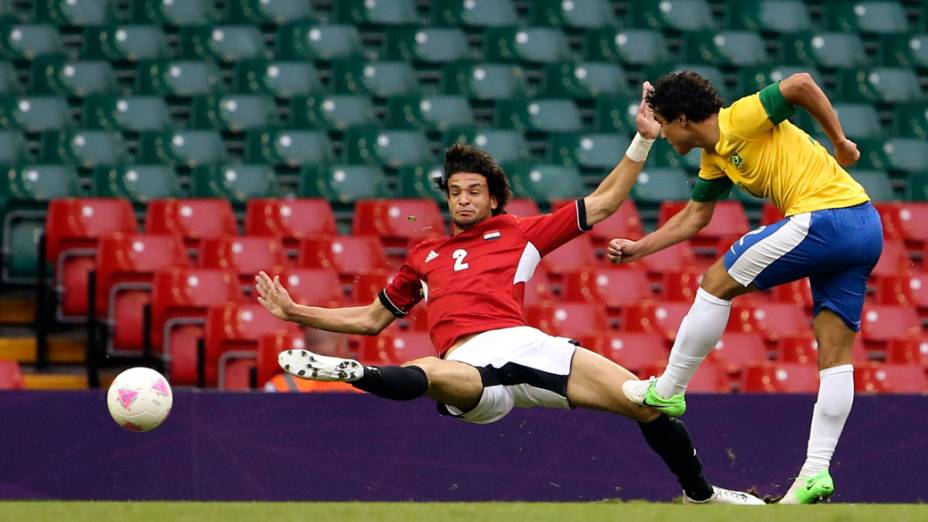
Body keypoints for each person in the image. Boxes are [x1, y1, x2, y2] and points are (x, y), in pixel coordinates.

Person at [254, 83, 764, 505]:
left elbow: (605, 204)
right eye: (455, 191)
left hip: (523, 343)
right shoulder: (423, 255)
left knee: (646, 403)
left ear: (493, 197)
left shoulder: (521, 233)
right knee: (433, 371)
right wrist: (296, 310)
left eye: (473, 190)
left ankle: (702, 497)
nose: (463, 199)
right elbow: (370, 321)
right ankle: (354, 374)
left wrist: (643, 140)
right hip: (470, 364)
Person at [608, 72, 882, 504]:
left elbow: (801, 84)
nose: (660, 133)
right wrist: (639, 249)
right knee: (834, 354)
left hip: (828, 219)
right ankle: (815, 472)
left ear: (682, 119)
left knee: (716, 281)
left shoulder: (741, 118)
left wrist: (841, 141)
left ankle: (671, 389)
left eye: (662, 122)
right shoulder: (714, 157)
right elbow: (695, 218)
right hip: (864, 226)